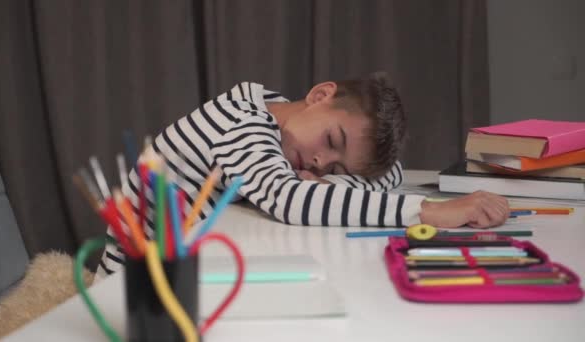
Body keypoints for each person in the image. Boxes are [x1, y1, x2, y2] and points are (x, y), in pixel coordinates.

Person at [96, 71, 510, 277]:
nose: (318, 163)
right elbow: (289, 200)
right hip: (136, 294)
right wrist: (429, 212)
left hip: (197, 272)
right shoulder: (245, 124)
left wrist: (333, 182)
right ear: (319, 95)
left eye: (335, 164)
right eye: (331, 140)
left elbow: (390, 174)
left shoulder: (276, 112)